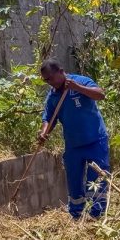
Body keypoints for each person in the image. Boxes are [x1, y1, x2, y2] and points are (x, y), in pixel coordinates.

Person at [38, 59, 109, 219]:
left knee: (97, 180)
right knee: (74, 180)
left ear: (60, 71)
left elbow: (100, 94)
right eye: (46, 80)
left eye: (50, 78)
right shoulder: (53, 95)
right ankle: (76, 215)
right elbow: (48, 118)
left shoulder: (81, 81)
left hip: (95, 141)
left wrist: (78, 88)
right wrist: (44, 132)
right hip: (73, 145)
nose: (49, 83)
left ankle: (96, 216)